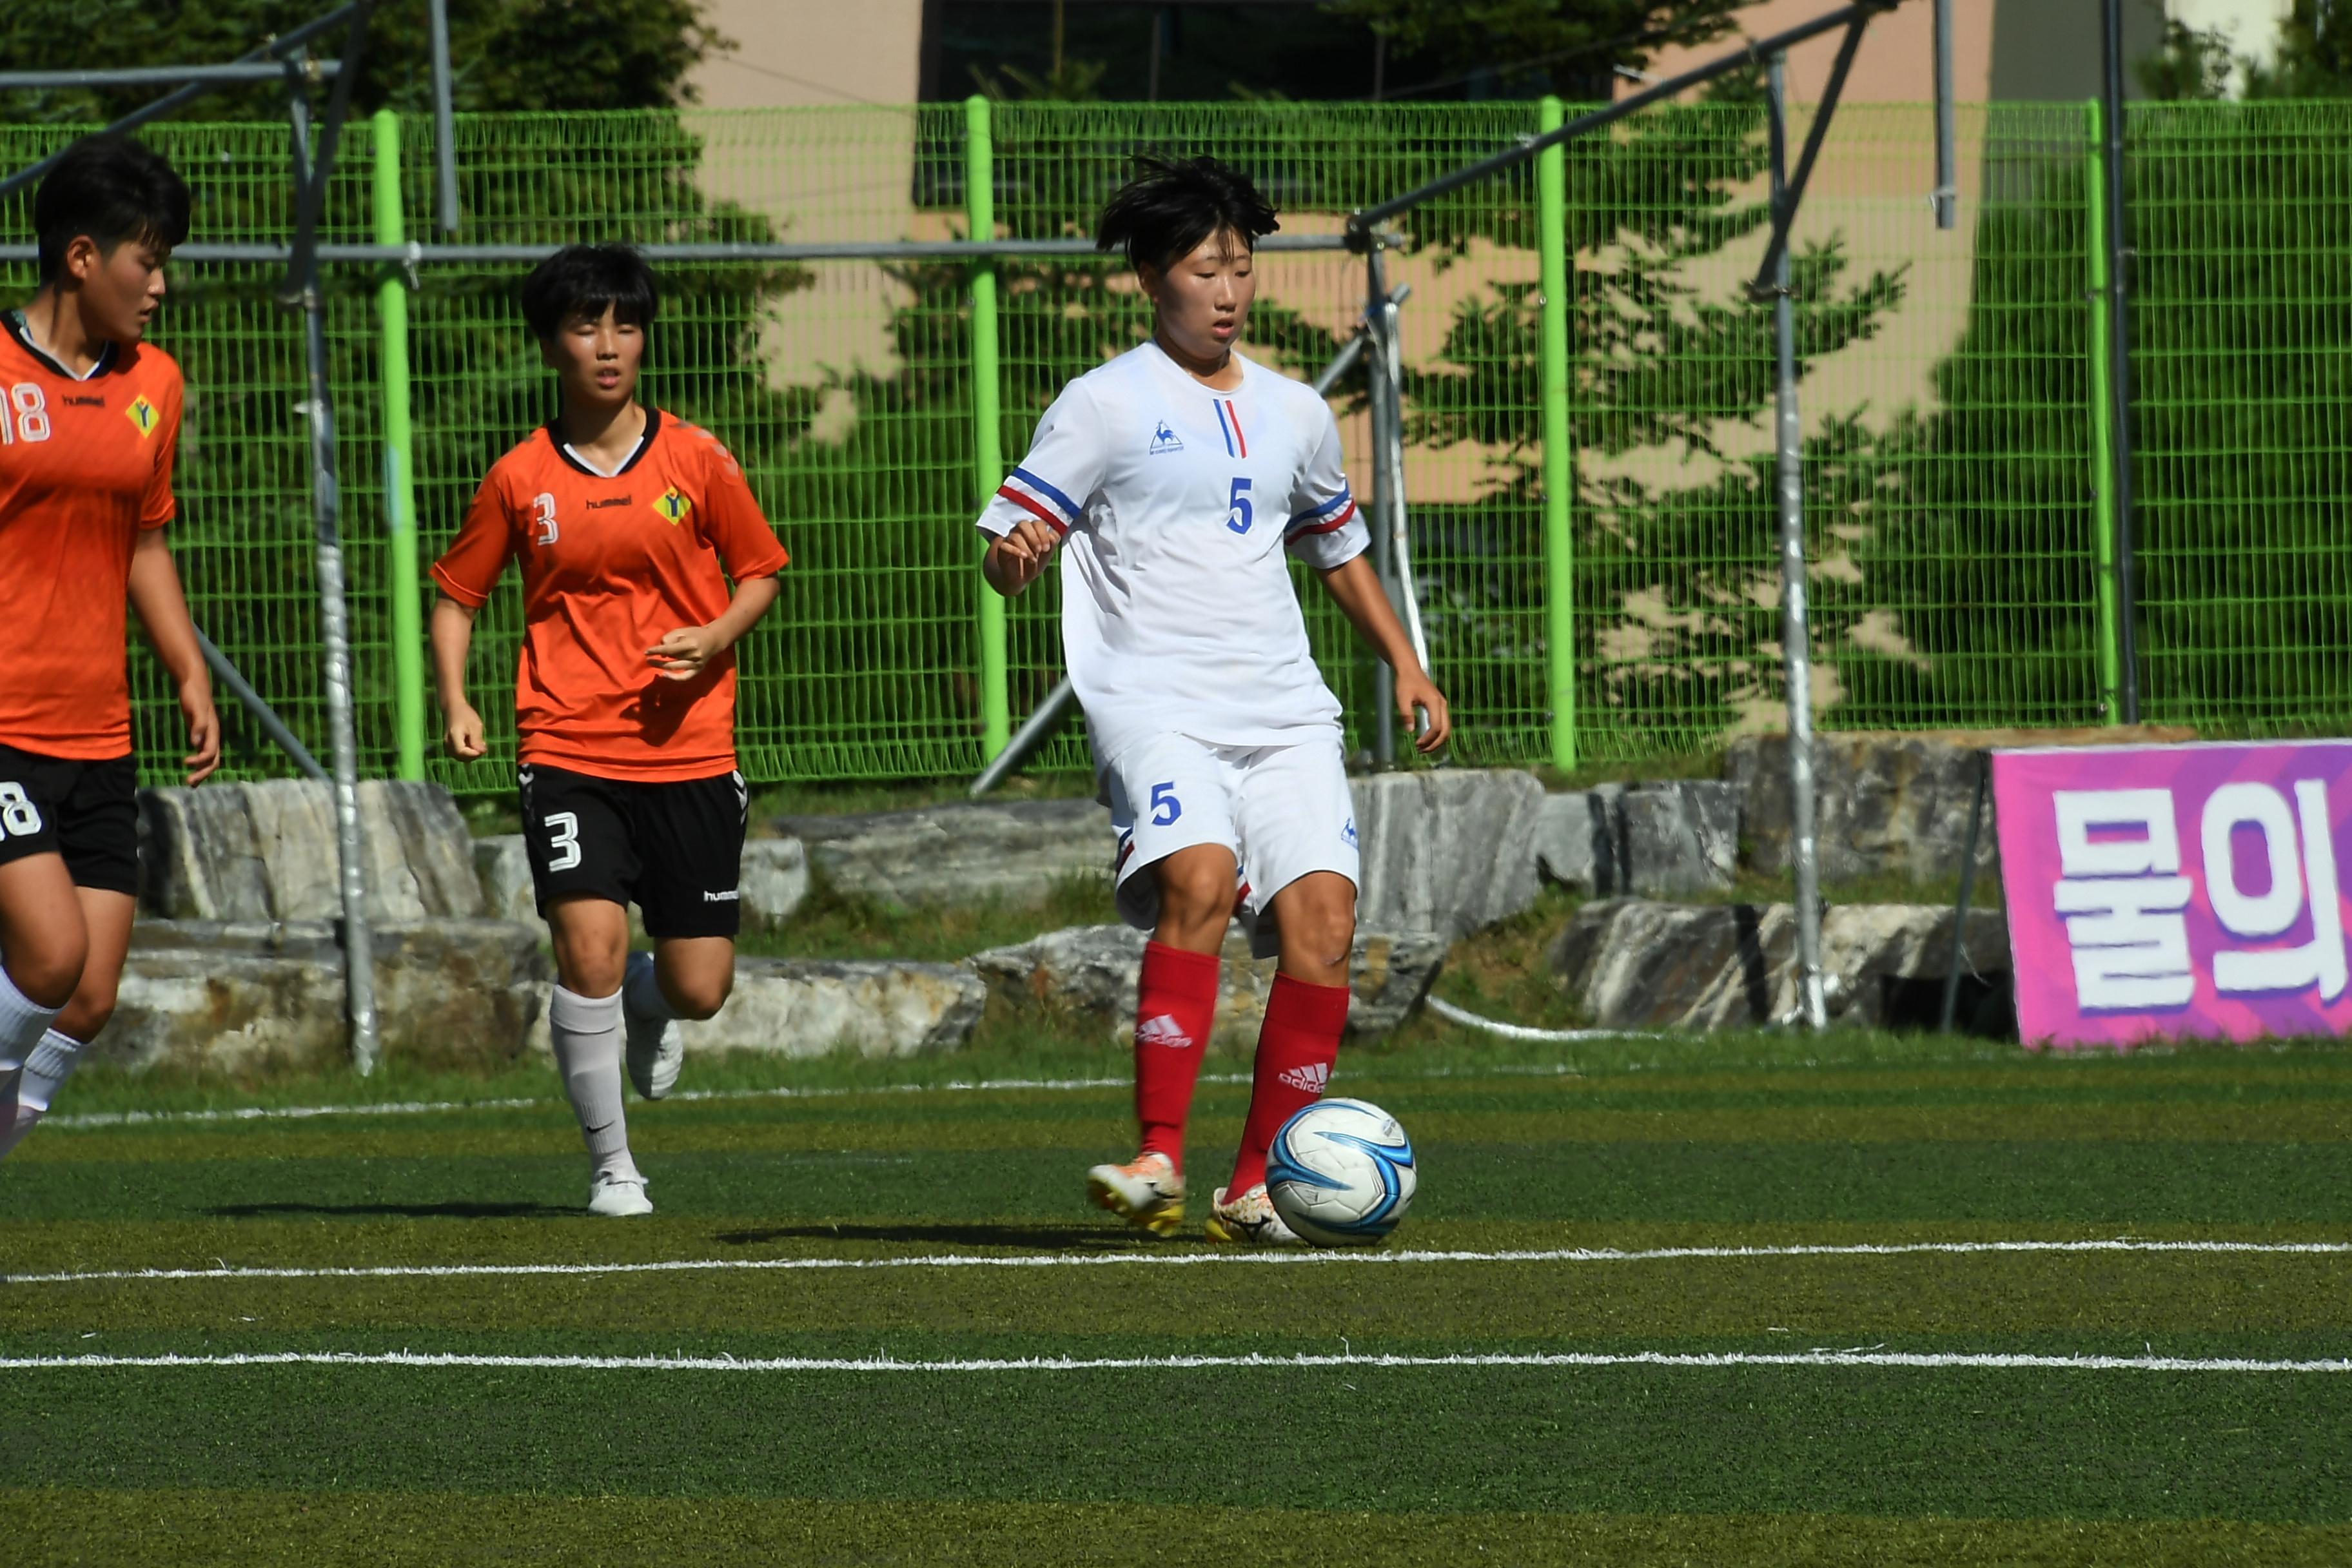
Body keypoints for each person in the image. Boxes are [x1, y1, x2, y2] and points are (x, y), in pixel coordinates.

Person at [977, 154, 1450, 1245]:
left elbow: (1339, 551)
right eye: (1205, 268)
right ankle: (1157, 1157)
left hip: (1285, 709)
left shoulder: (1294, 411)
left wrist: (1408, 667)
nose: (1229, 290)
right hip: (1157, 702)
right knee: (1199, 878)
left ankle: (1258, 1185)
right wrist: (1021, 557)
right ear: (1151, 275)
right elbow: (1011, 552)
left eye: (1242, 267)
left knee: (1323, 927)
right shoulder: (1102, 403)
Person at [429, 243, 787, 1217]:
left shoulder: (697, 458)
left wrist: (714, 636)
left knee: (700, 986)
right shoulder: (521, 477)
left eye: (625, 324)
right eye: (586, 326)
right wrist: (457, 701)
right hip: (567, 749)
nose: (609, 345)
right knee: (583, 946)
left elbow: (760, 571)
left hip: (693, 751)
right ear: (551, 343)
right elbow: (457, 597)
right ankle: (612, 1167)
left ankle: (646, 998)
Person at [0, 136, 219, 1161]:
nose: (161, 284)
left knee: (86, 997)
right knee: (47, 958)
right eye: (148, 259)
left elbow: (144, 538)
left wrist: (185, 667)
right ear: (81, 257)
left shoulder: (155, 385)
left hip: (98, 730)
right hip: (4, 724)